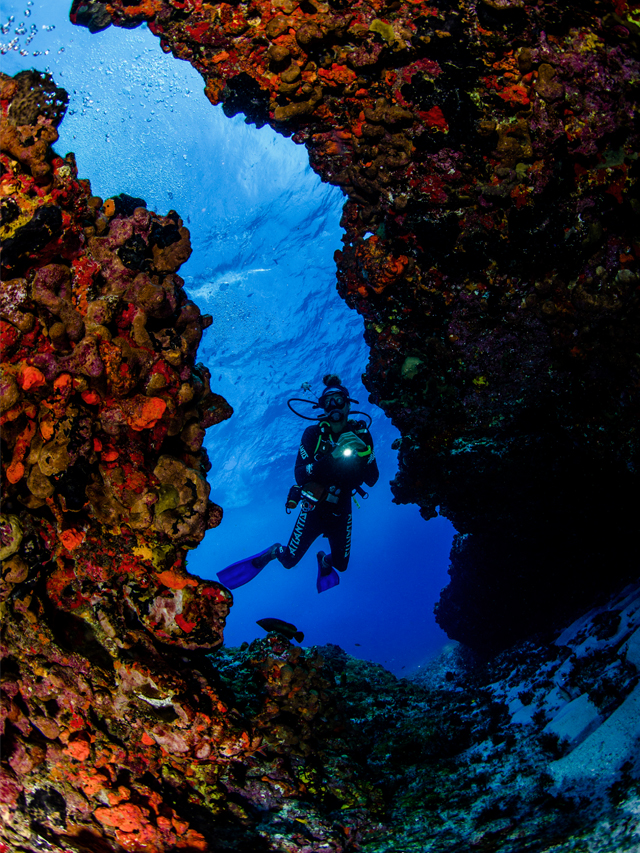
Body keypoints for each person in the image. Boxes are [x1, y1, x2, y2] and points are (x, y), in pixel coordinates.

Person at [218, 374, 379, 592]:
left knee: (341, 564)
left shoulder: (362, 434)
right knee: (289, 562)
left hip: (342, 509)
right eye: (328, 402)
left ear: (348, 405)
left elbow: (372, 479)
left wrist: (367, 452)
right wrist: (333, 456)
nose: (334, 406)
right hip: (314, 508)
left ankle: (324, 560)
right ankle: (274, 551)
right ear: (322, 407)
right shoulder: (313, 434)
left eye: (339, 400)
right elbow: (301, 475)